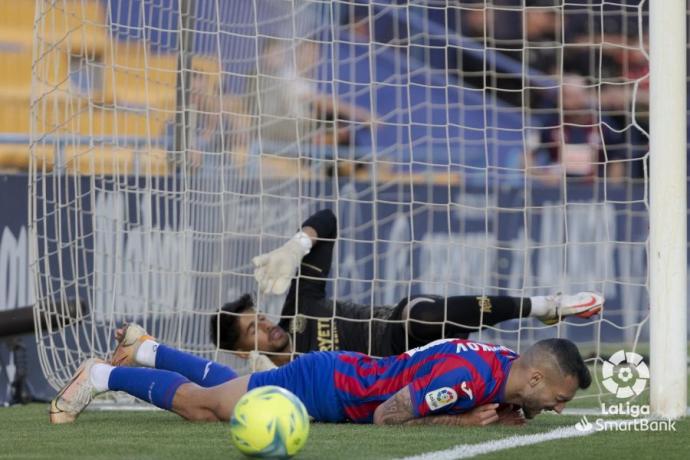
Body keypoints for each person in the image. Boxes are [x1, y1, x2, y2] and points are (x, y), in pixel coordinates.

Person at [212, 208, 603, 366]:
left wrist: (296, 247)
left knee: (424, 315)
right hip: (401, 375)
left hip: (400, 326)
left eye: (259, 317)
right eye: (252, 330)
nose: (266, 324)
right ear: (241, 351)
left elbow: (328, 220)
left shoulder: (298, 306)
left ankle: (543, 306)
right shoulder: (279, 384)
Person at [50, 323, 591, 427]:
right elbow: (387, 416)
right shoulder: (470, 379)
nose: (561, 408)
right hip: (324, 387)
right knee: (204, 406)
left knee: (219, 387)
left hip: (338, 376)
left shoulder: (501, 367)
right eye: (561, 398)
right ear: (538, 378)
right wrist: (464, 425)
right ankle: (100, 376)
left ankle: (144, 350)